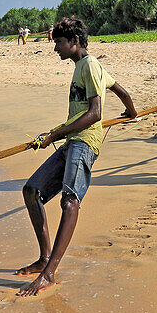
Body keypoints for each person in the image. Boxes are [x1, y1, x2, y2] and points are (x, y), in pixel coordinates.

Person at [15, 16, 136, 297]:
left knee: (70, 201)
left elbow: (95, 114)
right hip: (72, 139)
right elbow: (120, 91)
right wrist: (131, 112)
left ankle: (49, 274)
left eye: (59, 42)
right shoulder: (85, 66)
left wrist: (55, 135)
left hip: (84, 142)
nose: (55, 48)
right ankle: (45, 258)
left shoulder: (90, 65)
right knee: (32, 190)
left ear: (74, 42)